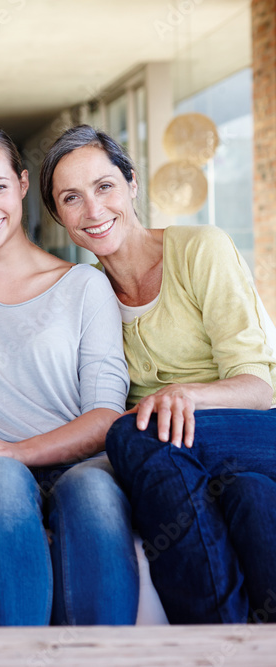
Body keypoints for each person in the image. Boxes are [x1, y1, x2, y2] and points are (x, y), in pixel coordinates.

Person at [40, 124, 276, 624]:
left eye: (105, 186)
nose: (94, 210)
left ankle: (205, 642)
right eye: (71, 198)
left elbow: (259, 385)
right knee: (250, 500)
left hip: (257, 432)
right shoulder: (85, 295)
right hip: (189, 459)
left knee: (133, 432)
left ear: (132, 185)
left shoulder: (200, 249)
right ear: (60, 217)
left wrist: (182, 395)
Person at [0, 124, 137, 626]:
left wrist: (15, 450)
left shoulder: (85, 285)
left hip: (83, 463)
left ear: (21, 185)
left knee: (92, 491)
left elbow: (106, 415)